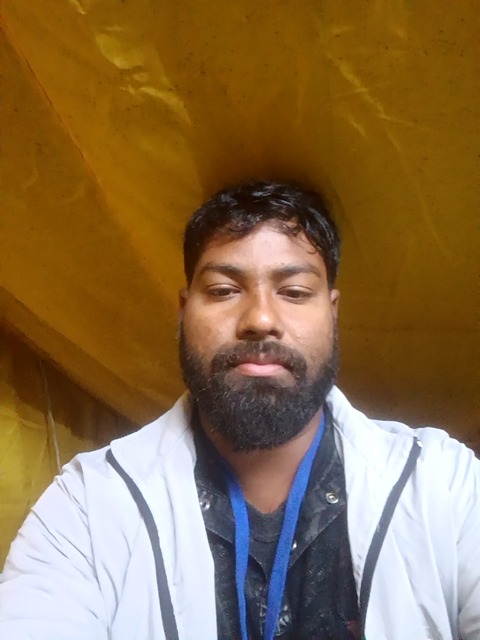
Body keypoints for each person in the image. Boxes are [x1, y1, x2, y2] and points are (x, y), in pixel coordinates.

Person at [0, 181, 479, 640]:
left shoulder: (444, 486)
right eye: (224, 290)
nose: (260, 319)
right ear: (183, 311)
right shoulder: (88, 506)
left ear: (333, 313)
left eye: (294, 292)